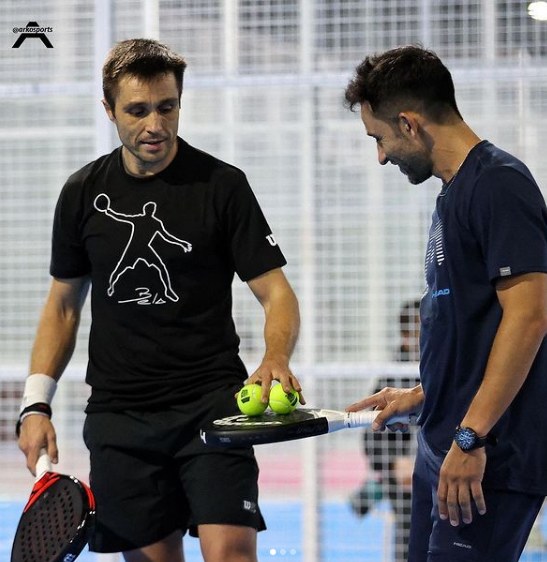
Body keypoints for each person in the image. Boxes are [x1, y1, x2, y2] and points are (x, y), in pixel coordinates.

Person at [17, 38, 303, 562]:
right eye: (138, 110)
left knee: (232, 555)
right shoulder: (81, 193)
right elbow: (62, 307)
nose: (155, 124)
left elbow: (276, 292)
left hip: (213, 406)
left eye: (167, 106)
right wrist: (35, 405)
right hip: (121, 418)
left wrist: (276, 356)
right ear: (108, 110)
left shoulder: (223, 185)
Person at [344, 45, 547, 562]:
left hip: (485, 459)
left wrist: (471, 436)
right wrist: (424, 393)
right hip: (447, 445)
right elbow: (474, 326)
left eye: (381, 138)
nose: (382, 156)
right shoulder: (454, 193)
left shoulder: (498, 184)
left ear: (409, 124)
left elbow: (530, 318)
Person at [350, 300, 420, 562]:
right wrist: (395, 464)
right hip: (406, 485)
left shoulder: (451, 369)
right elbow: (371, 438)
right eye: (420, 331)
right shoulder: (392, 381)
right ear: (405, 337)